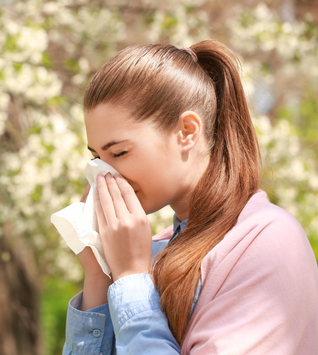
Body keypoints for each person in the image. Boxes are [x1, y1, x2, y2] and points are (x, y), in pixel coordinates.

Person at [62, 40, 318, 355]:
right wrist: (100, 274)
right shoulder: (154, 251)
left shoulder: (266, 242)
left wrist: (130, 278)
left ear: (186, 131)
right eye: (97, 157)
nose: (105, 175)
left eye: (119, 152)